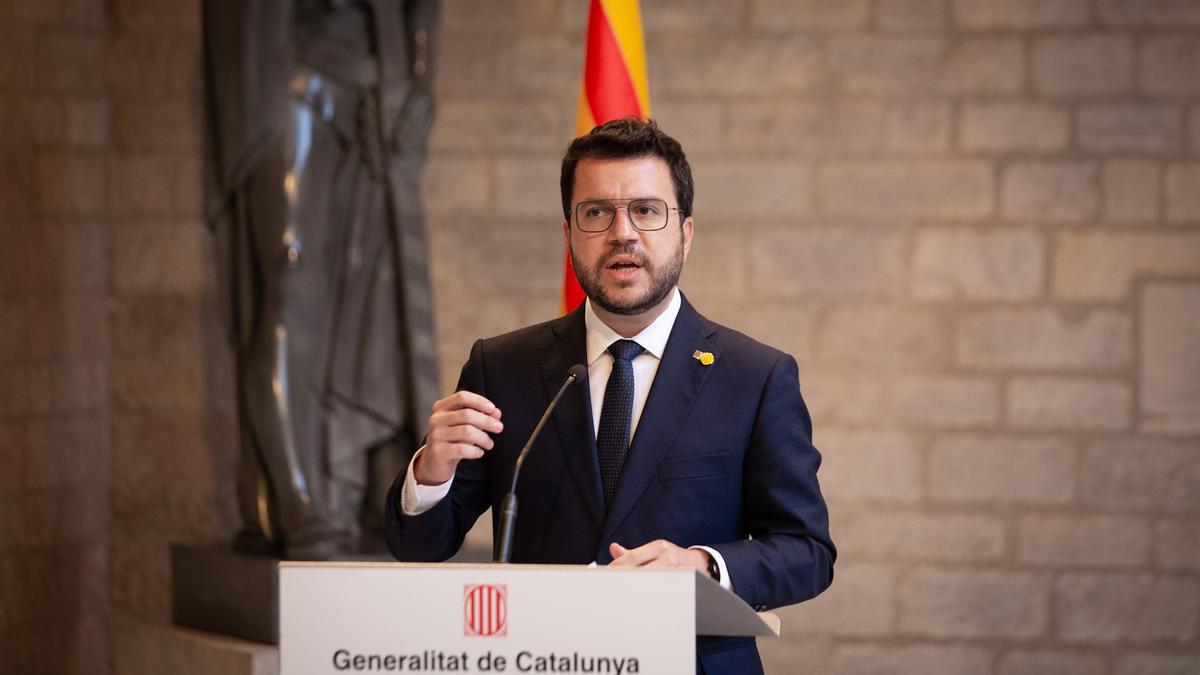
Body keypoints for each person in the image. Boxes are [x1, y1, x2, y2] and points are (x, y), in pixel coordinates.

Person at [385, 118, 835, 673]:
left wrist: (704, 565)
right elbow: (420, 547)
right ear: (569, 234)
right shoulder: (501, 368)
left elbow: (807, 552)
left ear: (686, 234)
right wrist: (431, 473)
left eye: (646, 211)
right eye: (596, 212)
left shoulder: (755, 376)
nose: (623, 232)